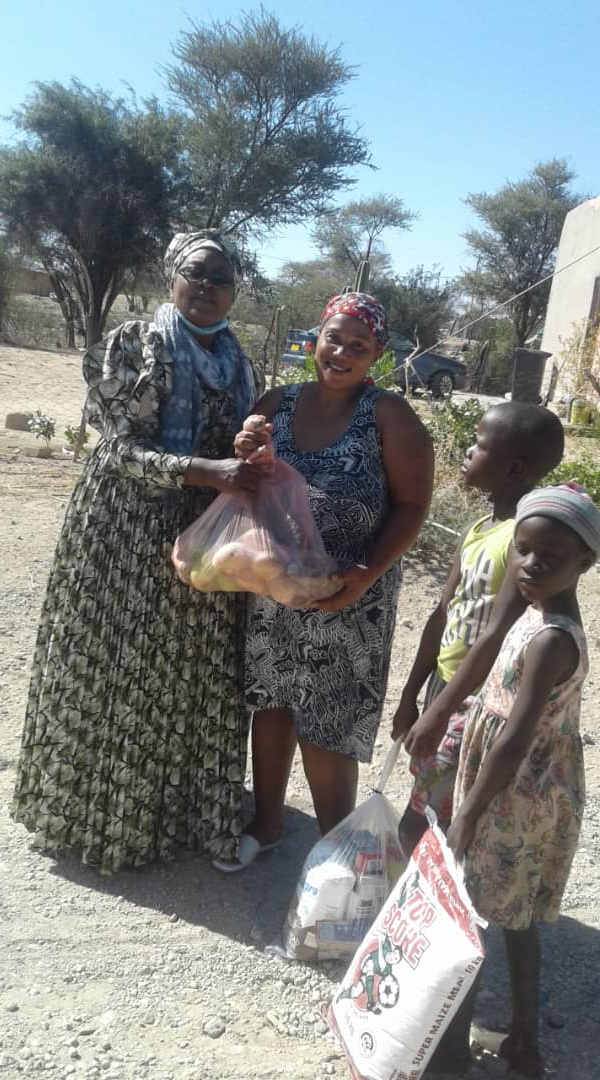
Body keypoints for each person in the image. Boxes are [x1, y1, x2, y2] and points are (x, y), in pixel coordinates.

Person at [12, 229, 263, 875]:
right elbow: (117, 447)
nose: (207, 287)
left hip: (205, 534)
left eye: (221, 279)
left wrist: (247, 457)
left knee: (190, 672)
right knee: (120, 669)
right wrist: (203, 470)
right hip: (125, 529)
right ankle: (103, 819)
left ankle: (178, 816)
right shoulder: (135, 344)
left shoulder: (240, 363)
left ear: (235, 293)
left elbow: (238, 447)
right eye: (196, 273)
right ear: (172, 275)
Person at [214, 292, 434, 871]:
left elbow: (413, 506)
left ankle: (336, 853)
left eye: (358, 345)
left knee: (329, 721)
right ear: (316, 340)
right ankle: (267, 823)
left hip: (349, 595)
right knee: (271, 703)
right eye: (334, 338)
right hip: (277, 588)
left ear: (376, 354)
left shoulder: (388, 415)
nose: (342, 352)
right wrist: (246, 452)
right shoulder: (277, 403)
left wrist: (365, 575)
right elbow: (249, 482)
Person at [446, 482, 599, 1078]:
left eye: (549, 557)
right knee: (514, 916)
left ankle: (459, 1051)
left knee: (483, 914)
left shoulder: (553, 639)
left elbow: (513, 739)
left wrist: (467, 812)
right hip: (510, 783)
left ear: (585, 562)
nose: (530, 565)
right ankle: (523, 1042)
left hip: (515, 793)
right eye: (523, 549)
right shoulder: (536, 608)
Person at [392, 403, 565, 855]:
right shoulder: (478, 529)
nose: (469, 451)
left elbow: (495, 633)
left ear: (514, 469)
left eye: (480, 445)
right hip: (445, 686)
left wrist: (439, 711)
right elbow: (442, 613)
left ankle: (427, 895)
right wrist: (412, 696)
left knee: (421, 825)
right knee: (428, 804)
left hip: (477, 702)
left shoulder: (522, 541)